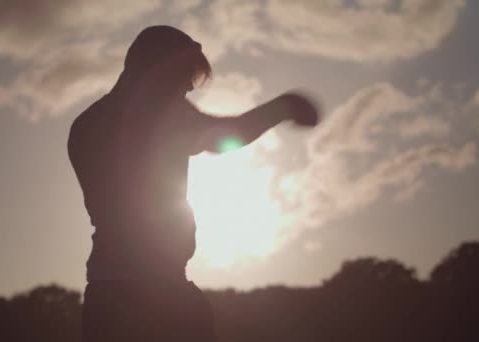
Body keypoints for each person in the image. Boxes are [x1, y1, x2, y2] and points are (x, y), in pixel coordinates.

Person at [68, 25, 319, 342]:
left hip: (106, 293)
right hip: (157, 296)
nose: (188, 87)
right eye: (185, 74)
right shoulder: (157, 113)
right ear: (160, 69)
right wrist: (286, 106)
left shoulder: (85, 124)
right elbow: (225, 137)